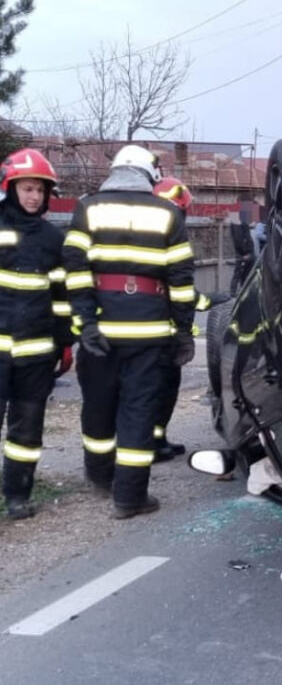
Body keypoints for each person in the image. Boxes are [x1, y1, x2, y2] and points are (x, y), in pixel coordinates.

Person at [62, 145, 196, 519]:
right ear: (147, 175)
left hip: (101, 329)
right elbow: (181, 281)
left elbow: (75, 269)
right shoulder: (168, 212)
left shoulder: (88, 207)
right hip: (150, 332)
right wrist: (183, 331)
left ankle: (101, 477)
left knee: (99, 406)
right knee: (139, 411)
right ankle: (130, 498)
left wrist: (86, 323)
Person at [0, 149, 73, 520]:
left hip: (37, 354)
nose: (34, 197)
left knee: (27, 431)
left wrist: (65, 343)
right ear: (11, 189)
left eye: (39, 191)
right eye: (27, 189)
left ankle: (17, 495)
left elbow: (61, 297)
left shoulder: (51, 238)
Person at [150, 176, 224, 463]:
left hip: (145, 329)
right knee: (161, 389)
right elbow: (178, 288)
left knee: (151, 389)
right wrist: (211, 302)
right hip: (162, 332)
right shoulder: (165, 237)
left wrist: (207, 300)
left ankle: (157, 441)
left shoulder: (144, 235)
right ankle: (153, 444)